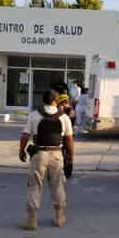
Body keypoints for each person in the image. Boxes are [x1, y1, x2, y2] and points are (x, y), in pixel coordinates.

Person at [19, 90, 74, 230]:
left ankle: (31, 221)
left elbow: (25, 135)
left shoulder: (34, 115)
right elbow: (69, 140)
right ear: (56, 100)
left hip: (39, 153)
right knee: (58, 186)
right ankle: (60, 218)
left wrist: (21, 151)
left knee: (34, 185)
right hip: (57, 154)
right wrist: (70, 158)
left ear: (44, 100)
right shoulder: (64, 117)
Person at [56, 93, 76, 178]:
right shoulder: (62, 110)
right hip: (64, 133)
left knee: (67, 152)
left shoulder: (70, 110)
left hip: (67, 134)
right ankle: (64, 170)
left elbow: (71, 120)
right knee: (64, 153)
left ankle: (67, 171)